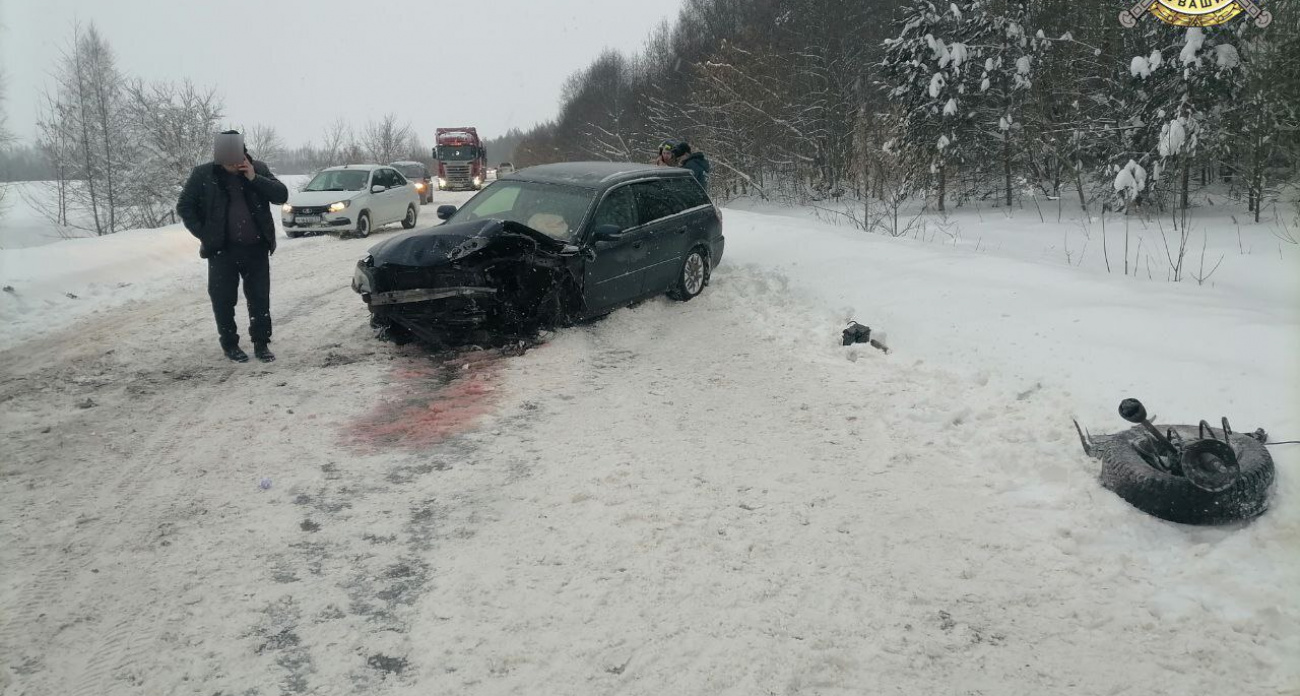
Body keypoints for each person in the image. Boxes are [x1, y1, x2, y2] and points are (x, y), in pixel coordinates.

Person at [177, 130, 289, 363]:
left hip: (256, 249)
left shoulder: (258, 169)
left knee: (259, 298)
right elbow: (185, 206)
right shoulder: (203, 174)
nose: (230, 163)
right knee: (223, 299)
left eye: (234, 157)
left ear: (243, 152)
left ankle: (261, 343)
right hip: (222, 252)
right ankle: (230, 344)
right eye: (225, 158)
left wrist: (254, 178)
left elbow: (281, 195)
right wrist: (206, 235)